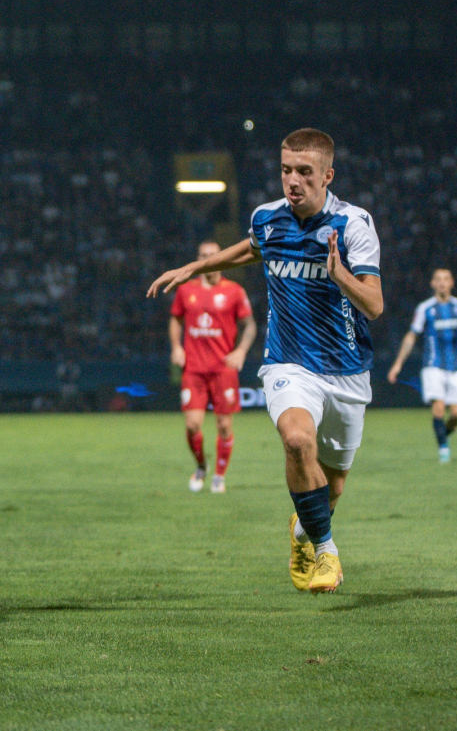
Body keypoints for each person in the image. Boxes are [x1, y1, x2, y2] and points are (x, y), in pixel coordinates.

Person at [148, 128, 383, 594]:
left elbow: (374, 305)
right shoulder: (268, 218)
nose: (292, 180)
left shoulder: (353, 225)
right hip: (288, 364)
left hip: (347, 371)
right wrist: (193, 268)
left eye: (304, 172)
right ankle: (328, 553)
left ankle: (303, 531)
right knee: (297, 441)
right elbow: (253, 248)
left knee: (331, 489)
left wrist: (339, 275)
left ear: (328, 175)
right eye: (285, 170)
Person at [168, 240, 256, 494]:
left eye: (213, 255)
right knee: (193, 425)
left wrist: (240, 351)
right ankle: (201, 466)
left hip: (222, 369)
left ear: (221, 258)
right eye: (204, 255)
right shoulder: (187, 290)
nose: (209, 259)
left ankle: (219, 475)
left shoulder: (234, 291)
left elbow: (249, 325)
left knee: (225, 426)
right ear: (199, 258)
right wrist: (176, 346)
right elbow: (175, 319)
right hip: (194, 368)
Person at [387, 268, 457, 463]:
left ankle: (442, 435)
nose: (442, 283)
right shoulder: (425, 308)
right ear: (433, 284)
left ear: (452, 282)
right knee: (438, 407)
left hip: (455, 368)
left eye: (446, 279)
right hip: (432, 366)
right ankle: (443, 448)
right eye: (438, 279)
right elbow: (412, 335)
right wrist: (397, 364)